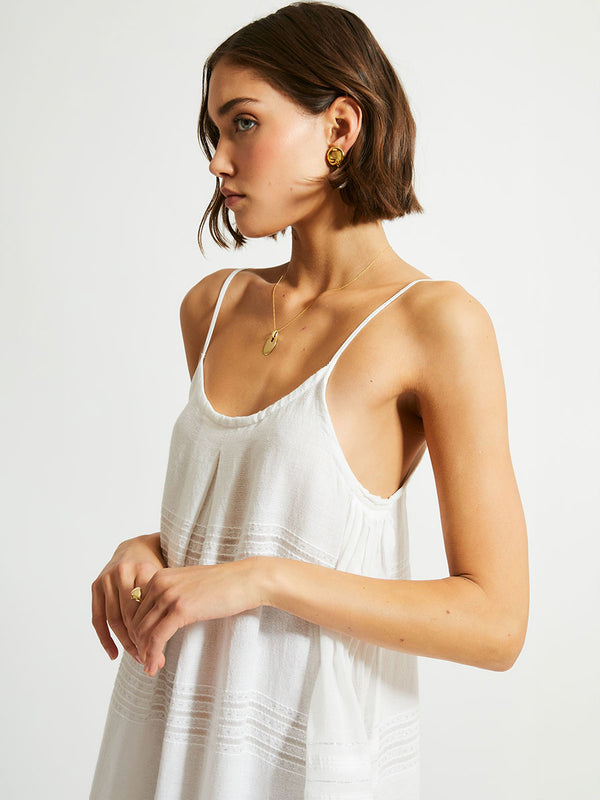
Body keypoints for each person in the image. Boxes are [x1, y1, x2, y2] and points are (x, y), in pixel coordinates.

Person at [89, 3, 529, 798]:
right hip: (164, 731)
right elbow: (278, 508)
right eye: (212, 134)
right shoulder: (212, 307)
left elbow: (495, 623)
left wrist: (264, 580)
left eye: (243, 124)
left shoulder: (437, 325)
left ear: (340, 127)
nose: (219, 160)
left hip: (305, 753)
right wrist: (152, 550)